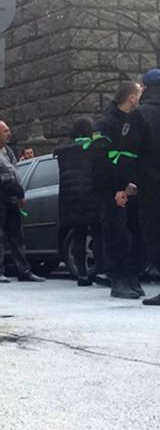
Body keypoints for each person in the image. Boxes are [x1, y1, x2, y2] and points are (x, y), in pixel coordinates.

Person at [90, 82, 144, 298]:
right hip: (112, 191)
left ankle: (133, 276)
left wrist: (134, 184)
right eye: (139, 93)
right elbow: (100, 160)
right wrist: (117, 188)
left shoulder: (136, 122)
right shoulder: (105, 125)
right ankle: (118, 280)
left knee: (138, 233)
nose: (141, 97)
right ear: (131, 97)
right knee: (116, 234)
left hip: (134, 188)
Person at [0, 121, 45, 283]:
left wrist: (20, 195)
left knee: (17, 237)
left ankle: (24, 271)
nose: (9, 133)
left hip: (11, 199)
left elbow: (15, 174)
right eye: (5, 131)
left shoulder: (8, 151)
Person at [115, 70, 160, 305]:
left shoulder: (141, 116)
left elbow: (128, 154)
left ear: (146, 88)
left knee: (154, 233)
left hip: (151, 187)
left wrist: (123, 185)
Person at [55, 118, 105, 287]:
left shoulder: (63, 152)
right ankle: (100, 271)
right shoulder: (93, 148)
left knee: (78, 235)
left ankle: (82, 275)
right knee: (97, 233)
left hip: (70, 200)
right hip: (91, 196)